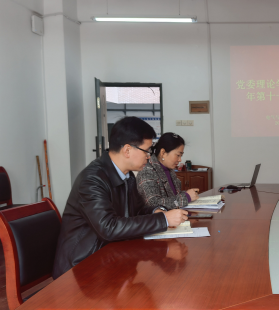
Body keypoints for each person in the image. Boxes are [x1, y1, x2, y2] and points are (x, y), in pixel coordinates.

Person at [52, 117, 189, 279]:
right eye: (147, 151)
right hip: (81, 268)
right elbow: (108, 228)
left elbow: (137, 209)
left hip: (111, 255)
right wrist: (163, 220)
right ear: (127, 150)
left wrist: (157, 211)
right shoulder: (92, 180)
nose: (149, 156)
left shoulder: (127, 175)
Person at [136, 132, 199, 210]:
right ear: (163, 153)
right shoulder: (147, 171)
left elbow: (173, 195)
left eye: (181, 156)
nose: (180, 160)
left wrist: (187, 194)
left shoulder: (170, 170)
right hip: (161, 217)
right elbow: (153, 203)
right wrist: (186, 197)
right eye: (178, 155)